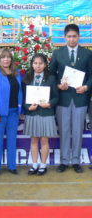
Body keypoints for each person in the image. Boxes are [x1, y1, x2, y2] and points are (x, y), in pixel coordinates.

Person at [50, 24, 92, 173]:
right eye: (69, 36)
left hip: (80, 98)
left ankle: (75, 160)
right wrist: (58, 85)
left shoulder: (87, 54)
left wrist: (86, 87)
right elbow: (51, 74)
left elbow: (91, 75)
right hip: (63, 98)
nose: (72, 39)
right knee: (64, 130)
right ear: (64, 37)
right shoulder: (57, 53)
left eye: (74, 36)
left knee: (78, 130)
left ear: (79, 37)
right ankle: (63, 160)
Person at [0, 48, 22, 176]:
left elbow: (20, 91)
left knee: (12, 140)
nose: (6, 59)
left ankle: (12, 166)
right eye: (3, 57)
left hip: (13, 113)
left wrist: (19, 108)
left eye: (8, 57)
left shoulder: (16, 72)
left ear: (11, 59)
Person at [22, 53, 59, 175]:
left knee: (44, 141)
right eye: (35, 63)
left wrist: (48, 104)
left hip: (46, 113)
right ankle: (34, 164)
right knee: (33, 141)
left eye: (41, 63)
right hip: (32, 114)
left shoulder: (51, 79)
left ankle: (43, 165)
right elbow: (23, 98)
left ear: (45, 65)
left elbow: (56, 97)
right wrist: (28, 107)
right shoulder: (27, 79)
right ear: (32, 64)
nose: (38, 66)